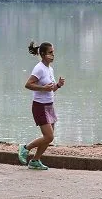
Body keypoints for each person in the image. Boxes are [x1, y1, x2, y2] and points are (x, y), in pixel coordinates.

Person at [18, 41, 66, 170]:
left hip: (49, 106)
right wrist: (43, 88)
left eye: (53, 52)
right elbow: (28, 85)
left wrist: (58, 85)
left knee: (48, 139)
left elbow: (51, 89)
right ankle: (25, 148)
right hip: (39, 106)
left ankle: (35, 161)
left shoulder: (50, 69)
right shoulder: (39, 68)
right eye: (50, 53)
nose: (53, 55)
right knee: (49, 136)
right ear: (43, 54)